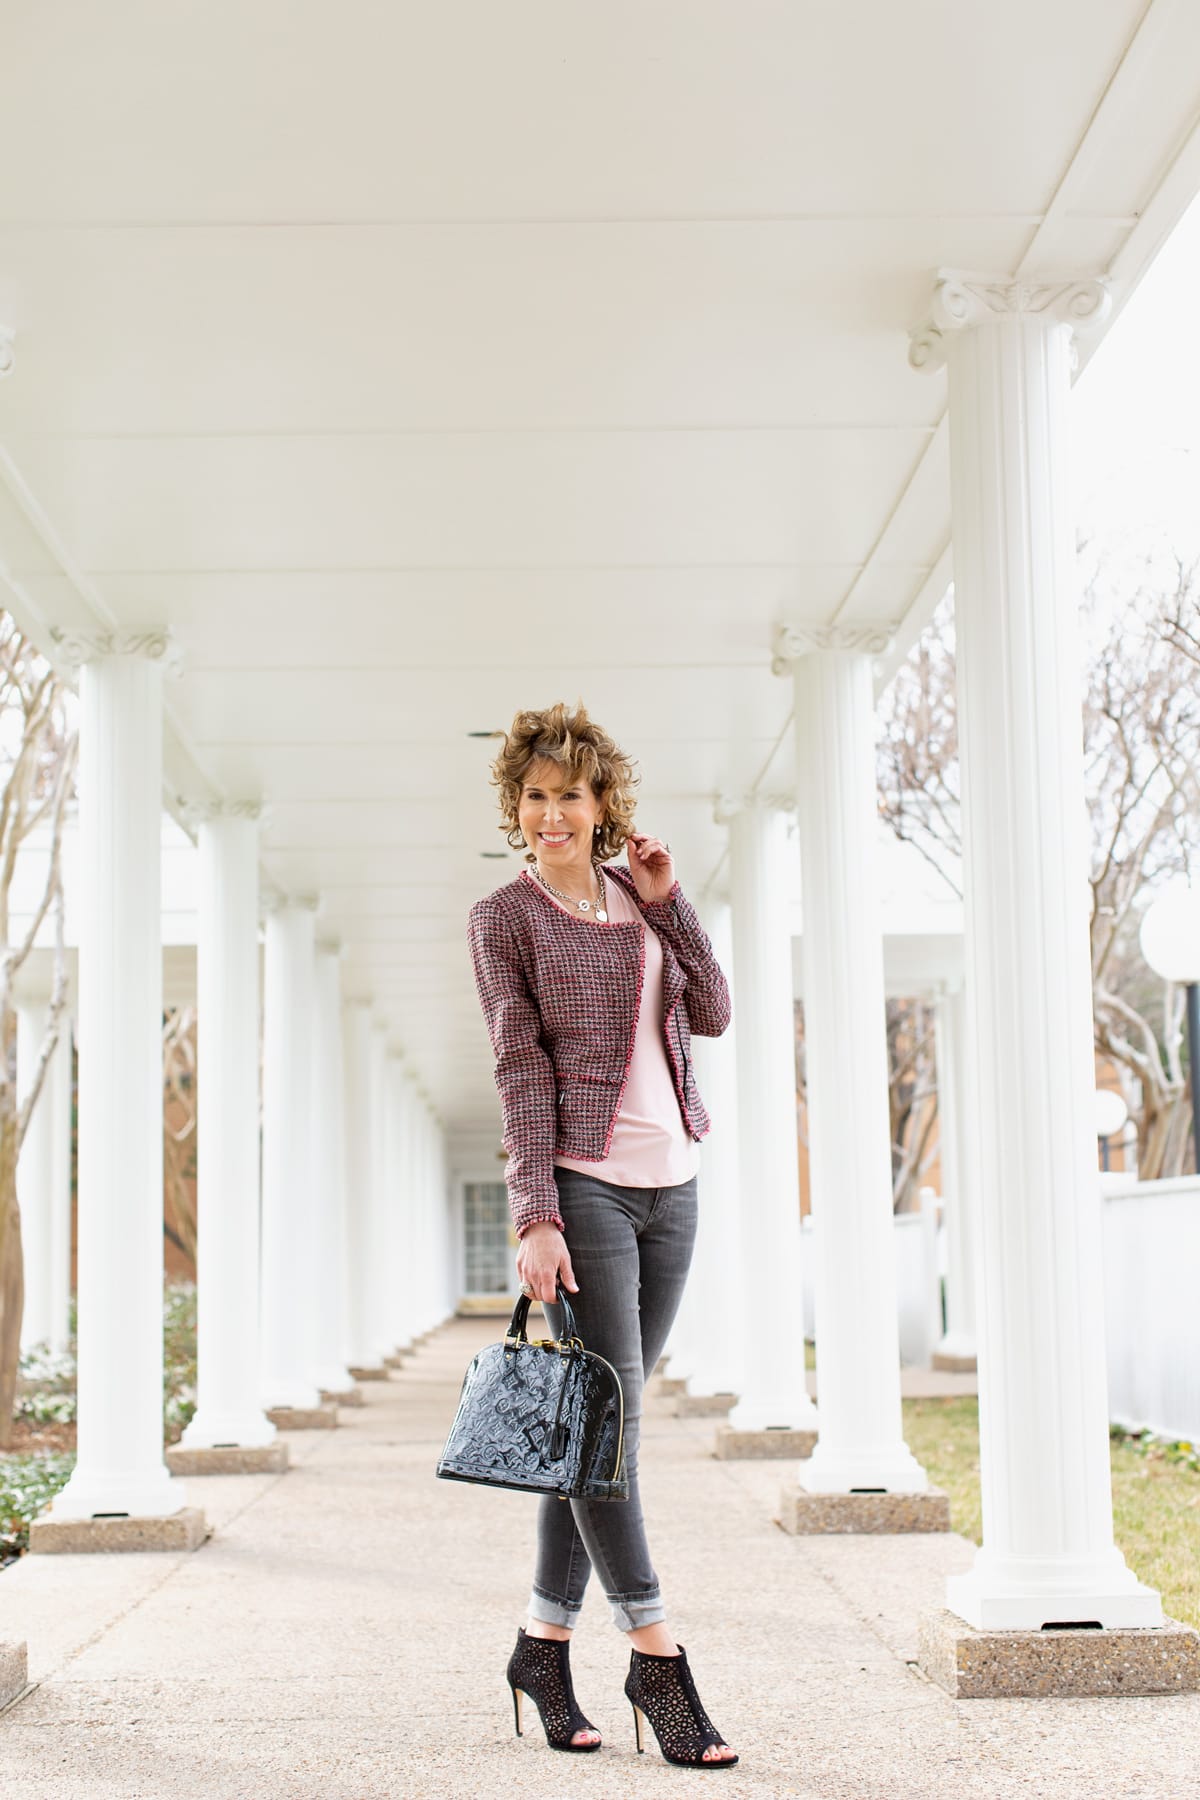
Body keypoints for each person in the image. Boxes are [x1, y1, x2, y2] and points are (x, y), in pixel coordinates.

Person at [467, 701, 738, 1769]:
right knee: (610, 1437)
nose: (550, 815)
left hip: (675, 1187)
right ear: (517, 809)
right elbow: (517, 1068)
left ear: (601, 803)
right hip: (585, 1192)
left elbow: (711, 1009)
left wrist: (672, 906)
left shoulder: (641, 896)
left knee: (594, 1435)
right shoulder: (505, 918)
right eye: (533, 798)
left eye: (568, 796)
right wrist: (533, 1210)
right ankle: (656, 1660)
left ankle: (540, 1645)